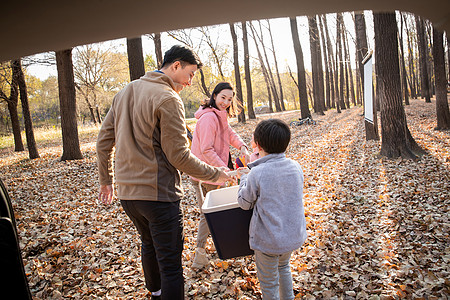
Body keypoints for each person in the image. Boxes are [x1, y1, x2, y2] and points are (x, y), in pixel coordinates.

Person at [96, 45, 230, 300]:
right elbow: (178, 156)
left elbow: (103, 141)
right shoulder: (168, 98)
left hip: (128, 196)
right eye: (190, 74)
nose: (190, 82)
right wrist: (216, 174)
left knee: (148, 244)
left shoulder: (124, 91)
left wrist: (107, 181)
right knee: (170, 264)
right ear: (176, 65)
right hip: (158, 196)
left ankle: (155, 294)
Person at [237, 119, 307, 300]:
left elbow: (244, 202)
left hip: (268, 240)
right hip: (291, 237)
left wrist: (243, 179)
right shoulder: (295, 167)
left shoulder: (257, 173)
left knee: (269, 283)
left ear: (258, 145)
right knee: (284, 268)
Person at [189, 82, 249, 269]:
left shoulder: (219, 116)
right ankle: (199, 254)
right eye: (223, 97)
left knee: (215, 211)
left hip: (214, 172)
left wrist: (242, 146)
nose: (226, 102)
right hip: (206, 173)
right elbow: (206, 149)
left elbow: (229, 133)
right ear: (214, 96)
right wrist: (224, 170)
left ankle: (223, 245)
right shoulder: (208, 118)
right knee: (208, 213)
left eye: (230, 99)